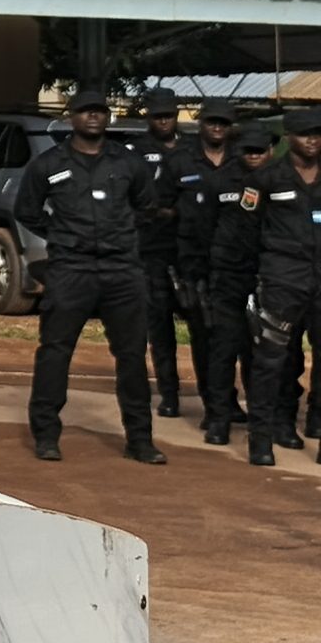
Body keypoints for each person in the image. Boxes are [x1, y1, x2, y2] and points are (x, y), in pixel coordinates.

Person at [13, 88, 159, 462]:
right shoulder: (48, 163)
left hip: (121, 270)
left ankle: (140, 440)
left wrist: (121, 237)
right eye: (85, 111)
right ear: (71, 117)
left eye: (99, 111)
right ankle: (46, 435)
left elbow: (147, 207)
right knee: (55, 352)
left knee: (131, 355)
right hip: (71, 269)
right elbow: (26, 210)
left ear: (108, 117)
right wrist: (62, 236)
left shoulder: (129, 163)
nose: (93, 117)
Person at [214, 105, 321, 469]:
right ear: (290, 137)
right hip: (282, 281)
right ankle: (261, 441)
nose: (315, 140)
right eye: (306, 133)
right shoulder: (266, 178)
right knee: (270, 362)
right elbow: (246, 231)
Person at [190, 121, 276, 443]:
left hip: (267, 276)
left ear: (270, 150)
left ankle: (264, 421)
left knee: (263, 353)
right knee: (223, 348)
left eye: (259, 150)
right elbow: (203, 228)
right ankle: (218, 419)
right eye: (247, 150)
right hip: (227, 276)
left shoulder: (280, 182)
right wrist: (202, 274)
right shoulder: (219, 181)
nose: (253, 156)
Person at [172, 103, 243, 432]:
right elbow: (161, 208)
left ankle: (229, 401)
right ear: (201, 124)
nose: (217, 127)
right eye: (212, 122)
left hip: (234, 264)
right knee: (204, 336)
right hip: (194, 262)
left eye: (223, 123)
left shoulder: (242, 161)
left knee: (234, 338)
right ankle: (213, 403)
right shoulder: (181, 160)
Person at [130, 86, 189, 416]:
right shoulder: (136, 153)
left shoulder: (192, 149)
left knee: (203, 325)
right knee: (160, 325)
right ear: (148, 116)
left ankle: (215, 396)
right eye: (157, 115)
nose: (164, 120)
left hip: (190, 251)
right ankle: (169, 393)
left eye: (168, 114)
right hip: (151, 249)